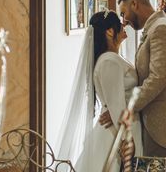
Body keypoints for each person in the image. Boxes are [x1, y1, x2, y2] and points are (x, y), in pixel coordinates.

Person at [56, 10, 143, 172]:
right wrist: (126, 141)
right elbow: (116, 105)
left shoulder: (113, 58)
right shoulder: (109, 61)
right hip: (115, 134)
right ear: (110, 31)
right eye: (119, 23)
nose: (123, 25)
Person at [118, 0, 166, 170]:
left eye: (123, 13)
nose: (124, 21)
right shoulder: (155, 28)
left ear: (135, 4)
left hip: (162, 128)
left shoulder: (162, 28)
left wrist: (127, 106)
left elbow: (158, 77)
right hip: (151, 125)